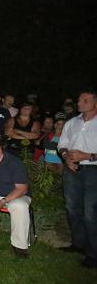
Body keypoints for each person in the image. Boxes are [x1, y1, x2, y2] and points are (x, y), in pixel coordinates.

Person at [57, 89, 97, 268]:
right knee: (72, 207)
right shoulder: (72, 122)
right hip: (72, 169)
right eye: (79, 99)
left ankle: (93, 253)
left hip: (93, 170)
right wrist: (65, 157)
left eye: (85, 100)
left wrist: (87, 156)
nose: (80, 102)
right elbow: (62, 145)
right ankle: (78, 244)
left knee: (91, 212)